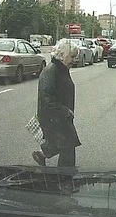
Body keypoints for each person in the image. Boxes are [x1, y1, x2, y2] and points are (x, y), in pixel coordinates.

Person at [32, 38, 81, 167]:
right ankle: (65, 180)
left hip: (59, 116)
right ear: (62, 55)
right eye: (72, 56)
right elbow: (48, 99)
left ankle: (41, 155)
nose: (74, 60)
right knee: (68, 144)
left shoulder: (61, 69)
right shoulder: (51, 71)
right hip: (53, 117)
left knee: (61, 143)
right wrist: (65, 111)